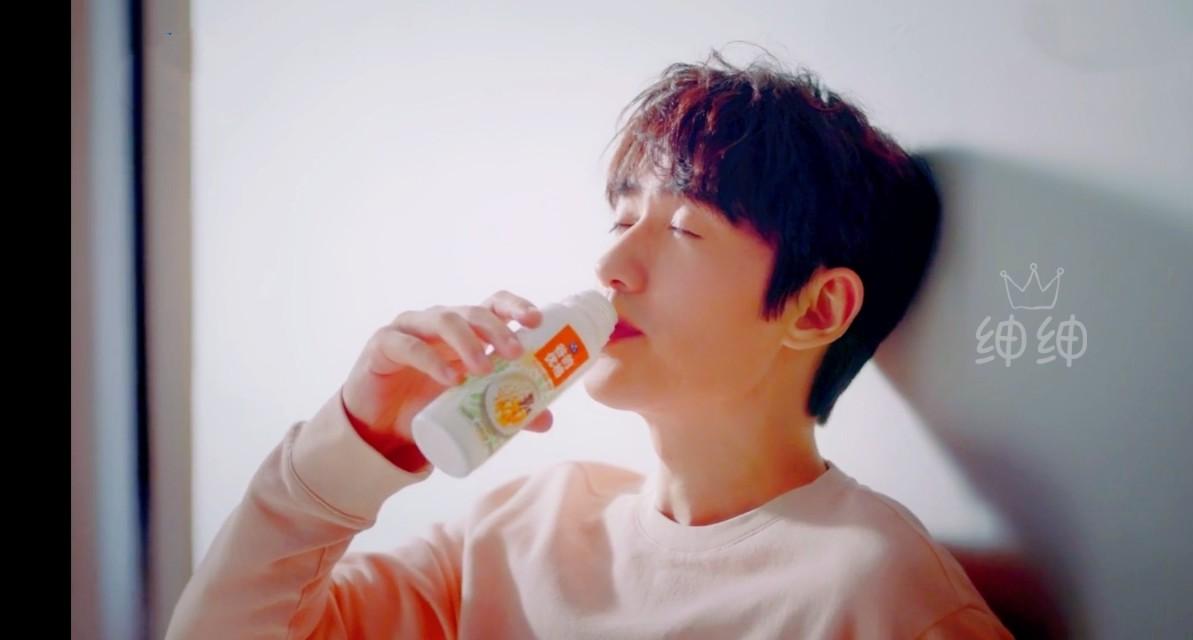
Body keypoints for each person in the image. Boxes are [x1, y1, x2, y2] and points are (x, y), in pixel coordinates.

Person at [167, 49, 1013, 639]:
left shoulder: (881, 596)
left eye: (683, 228)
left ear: (818, 308)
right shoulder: (521, 532)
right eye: (620, 218)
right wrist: (355, 443)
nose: (611, 266)